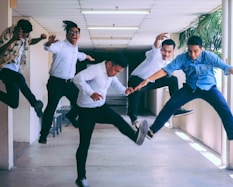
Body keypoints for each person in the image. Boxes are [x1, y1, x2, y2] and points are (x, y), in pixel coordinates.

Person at [135, 35, 233, 140]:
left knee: (224, 108)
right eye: (190, 51)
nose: (193, 54)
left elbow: (226, 67)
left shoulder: (209, 56)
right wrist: (147, 80)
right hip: (190, 88)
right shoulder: (182, 58)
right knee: (171, 104)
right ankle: (152, 131)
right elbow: (166, 70)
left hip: (209, 88)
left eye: (196, 51)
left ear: (201, 49)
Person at [73, 53, 148, 187]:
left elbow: (115, 83)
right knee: (84, 144)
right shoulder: (95, 70)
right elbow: (77, 78)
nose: (115, 73)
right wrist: (90, 92)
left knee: (117, 119)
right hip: (86, 110)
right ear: (109, 64)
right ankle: (81, 178)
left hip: (100, 106)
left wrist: (125, 90)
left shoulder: (110, 74)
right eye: (115, 70)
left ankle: (135, 137)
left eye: (119, 72)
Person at [38, 20, 95, 144]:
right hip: (56, 83)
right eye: (71, 32)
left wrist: (87, 57)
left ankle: (70, 116)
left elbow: (78, 55)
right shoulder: (60, 45)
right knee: (51, 108)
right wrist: (49, 42)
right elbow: (48, 47)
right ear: (67, 35)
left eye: (76, 32)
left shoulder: (75, 49)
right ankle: (43, 135)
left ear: (79, 35)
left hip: (69, 83)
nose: (74, 35)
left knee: (81, 102)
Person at [128, 33, 193, 128]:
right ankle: (133, 117)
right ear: (161, 49)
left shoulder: (169, 63)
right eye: (164, 51)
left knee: (173, 79)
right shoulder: (155, 55)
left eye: (169, 52)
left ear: (173, 51)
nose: (166, 54)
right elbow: (155, 47)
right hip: (136, 79)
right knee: (136, 94)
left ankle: (176, 108)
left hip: (150, 82)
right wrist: (157, 39)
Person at [0, 19, 46, 117]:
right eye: (26, 33)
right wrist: (13, 39)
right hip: (3, 68)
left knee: (13, 103)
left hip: (14, 71)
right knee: (20, 78)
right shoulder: (8, 34)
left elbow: (31, 41)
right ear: (20, 29)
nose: (26, 36)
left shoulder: (26, 38)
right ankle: (35, 103)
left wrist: (40, 39)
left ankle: (35, 104)